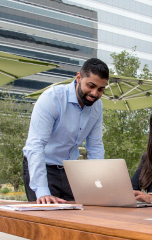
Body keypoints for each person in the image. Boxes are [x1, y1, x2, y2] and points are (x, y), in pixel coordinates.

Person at [23, 58, 109, 204]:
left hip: (70, 171)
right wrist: (42, 191)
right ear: (79, 77)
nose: (95, 93)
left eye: (100, 89)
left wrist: (98, 184)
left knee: (78, 217)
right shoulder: (52, 99)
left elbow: (95, 147)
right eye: (91, 86)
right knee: (46, 221)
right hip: (42, 167)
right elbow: (35, 145)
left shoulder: (97, 107)